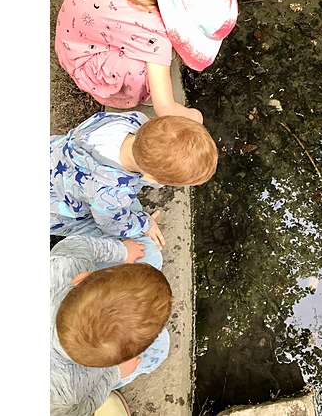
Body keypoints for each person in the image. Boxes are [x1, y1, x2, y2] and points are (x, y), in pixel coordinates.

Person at [54, 0, 239, 124]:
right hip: (78, 54)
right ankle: (120, 97)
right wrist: (195, 116)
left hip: (74, 16)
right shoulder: (156, 39)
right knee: (141, 74)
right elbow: (165, 108)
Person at [50, 111, 218, 258]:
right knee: (144, 249)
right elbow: (112, 224)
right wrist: (145, 223)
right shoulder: (112, 196)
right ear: (151, 178)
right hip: (59, 208)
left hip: (55, 159)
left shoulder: (132, 121)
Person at [50, 235, 173, 416]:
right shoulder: (68, 395)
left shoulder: (65, 264)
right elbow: (85, 407)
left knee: (151, 253)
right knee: (161, 346)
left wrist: (122, 251)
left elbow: (80, 244)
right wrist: (113, 374)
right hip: (84, 380)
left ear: (81, 279)